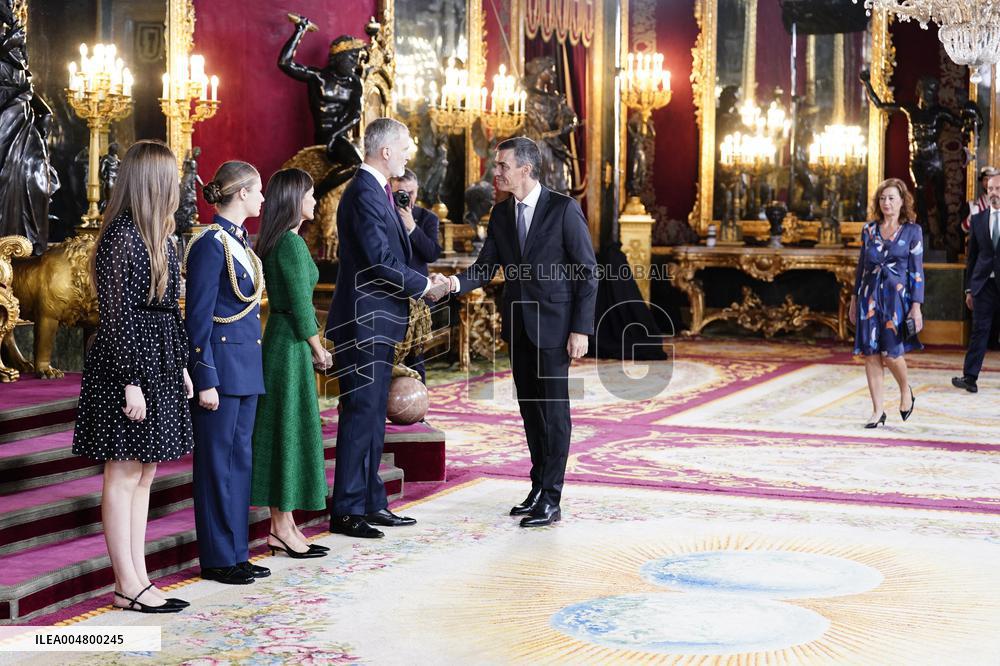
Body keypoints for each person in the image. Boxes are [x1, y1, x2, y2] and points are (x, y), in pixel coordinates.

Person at [434, 136, 598, 527]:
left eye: (503, 166)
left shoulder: (563, 209)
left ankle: (552, 498)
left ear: (525, 169)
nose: (496, 172)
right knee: (530, 410)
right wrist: (452, 286)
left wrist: (581, 329)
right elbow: (485, 267)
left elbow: (588, 272)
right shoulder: (501, 214)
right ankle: (538, 486)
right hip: (518, 326)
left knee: (553, 412)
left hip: (556, 328)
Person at [72, 140, 193, 613]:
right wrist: (130, 380)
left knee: (145, 472)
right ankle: (126, 581)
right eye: (172, 177)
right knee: (122, 472)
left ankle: (139, 577)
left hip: (159, 358)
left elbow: (168, 311)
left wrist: (181, 364)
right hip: (127, 364)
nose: (179, 186)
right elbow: (118, 315)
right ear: (152, 182)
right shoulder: (121, 237)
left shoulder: (161, 236)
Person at [324, 117, 448, 539]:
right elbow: (378, 260)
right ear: (385, 151)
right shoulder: (363, 191)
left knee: (375, 415)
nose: (411, 152)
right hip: (364, 322)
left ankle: (371, 501)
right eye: (407, 145)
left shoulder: (380, 191)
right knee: (361, 415)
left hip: (379, 320)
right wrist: (423, 286)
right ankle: (347, 509)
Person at [185, 161, 271, 584]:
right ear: (240, 194)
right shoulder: (209, 245)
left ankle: (237, 551)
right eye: (257, 191)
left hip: (246, 369)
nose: (262, 199)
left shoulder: (241, 244)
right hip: (219, 372)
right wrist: (205, 378)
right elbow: (197, 318)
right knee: (216, 466)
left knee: (240, 465)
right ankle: (218, 557)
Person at [250, 168, 332, 558]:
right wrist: (319, 349)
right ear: (294, 199)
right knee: (288, 433)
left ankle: (285, 526)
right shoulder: (292, 245)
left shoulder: (282, 241)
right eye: (311, 195)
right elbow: (301, 306)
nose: (315, 202)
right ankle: (281, 528)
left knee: (286, 432)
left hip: (281, 342)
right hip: (291, 346)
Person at [849, 178, 924, 428]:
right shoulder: (869, 230)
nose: (886, 202)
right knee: (870, 353)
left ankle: (905, 389)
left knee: (891, 353)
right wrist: (853, 299)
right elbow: (861, 267)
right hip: (868, 298)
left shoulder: (913, 231)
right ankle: (877, 410)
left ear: (902, 201)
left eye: (891, 198)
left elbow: (917, 272)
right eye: (882, 198)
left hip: (896, 301)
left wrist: (916, 306)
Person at [390, 167, 443, 382]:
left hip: (417, 299)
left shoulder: (427, 218)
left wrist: (412, 227)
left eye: (410, 193)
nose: (406, 198)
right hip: (390, 294)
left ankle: (417, 413)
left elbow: (432, 253)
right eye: (400, 193)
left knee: (415, 357)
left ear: (417, 192)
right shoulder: (383, 213)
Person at [952, 173, 1000, 393]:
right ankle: (970, 377)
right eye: (990, 189)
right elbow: (972, 257)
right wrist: (969, 289)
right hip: (983, 285)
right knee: (979, 330)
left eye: (997, 188)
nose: (993, 193)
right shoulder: (978, 219)